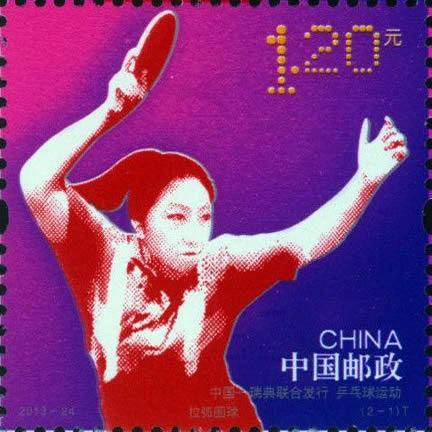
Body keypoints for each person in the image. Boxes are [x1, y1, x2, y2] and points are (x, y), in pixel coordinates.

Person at [19, 10, 409, 432]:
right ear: (140, 225)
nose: (193, 234)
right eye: (176, 217)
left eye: (204, 217)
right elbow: (37, 182)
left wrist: (366, 180)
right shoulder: (102, 256)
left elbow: (305, 241)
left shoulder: (221, 265)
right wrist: (111, 111)